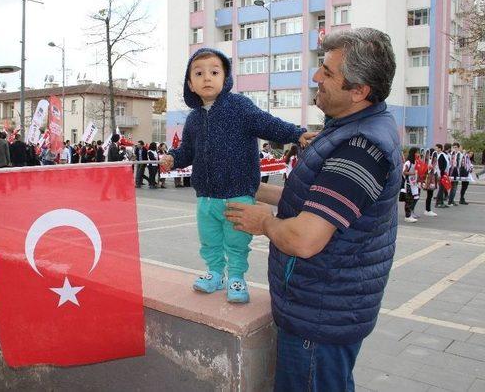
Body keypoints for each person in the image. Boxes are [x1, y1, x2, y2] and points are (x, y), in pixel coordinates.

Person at [224, 28, 401, 391]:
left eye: (327, 72)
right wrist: (252, 189)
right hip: (321, 308)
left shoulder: (360, 149)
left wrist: (264, 223)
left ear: (359, 91)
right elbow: (309, 201)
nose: (316, 77)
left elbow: (305, 239)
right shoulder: (350, 130)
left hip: (320, 318)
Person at [160, 47, 314, 304]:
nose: (207, 78)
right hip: (206, 198)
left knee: (237, 240)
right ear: (190, 83)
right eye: (199, 73)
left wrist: (296, 133)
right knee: (209, 240)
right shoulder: (194, 119)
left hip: (238, 193)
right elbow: (187, 151)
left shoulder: (239, 107)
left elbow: (268, 123)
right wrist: (173, 158)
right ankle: (215, 273)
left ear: (226, 78)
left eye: (214, 72)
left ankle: (236, 278)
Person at [402, 147, 420, 223]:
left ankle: (410, 214)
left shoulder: (415, 162)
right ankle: (407, 216)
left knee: (413, 198)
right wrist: (413, 173)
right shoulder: (408, 162)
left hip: (414, 183)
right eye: (416, 152)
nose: (418, 154)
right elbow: (404, 172)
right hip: (408, 183)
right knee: (408, 200)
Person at [421, 148, 438, 217]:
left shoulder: (431, 163)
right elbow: (429, 173)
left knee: (430, 196)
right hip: (428, 181)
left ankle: (428, 210)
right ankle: (428, 210)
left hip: (431, 181)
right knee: (429, 195)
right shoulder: (429, 163)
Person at [436, 143, 451, 208]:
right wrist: (440, 175)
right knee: (441, 189)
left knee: (442, 189)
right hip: (442, 174)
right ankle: (438, 203)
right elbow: (439, 166)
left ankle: (441, 202)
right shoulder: (442, 155)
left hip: (444, 173)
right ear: (449, 148)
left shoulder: (445, 155)